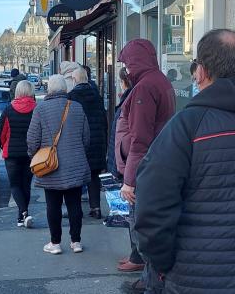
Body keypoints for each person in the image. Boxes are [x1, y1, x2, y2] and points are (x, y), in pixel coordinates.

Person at [135, 29, 235, 294]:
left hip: (199, 279)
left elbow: (152, 210)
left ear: (201, 72)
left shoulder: (186, 126)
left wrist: (162, 265)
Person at [115, 39, 175, 288]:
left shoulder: (144, 88)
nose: (126, 69)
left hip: (145, 168)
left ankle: (150, 279)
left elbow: (140, 140)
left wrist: (129, 181)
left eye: (127, 63)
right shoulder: (158, 81)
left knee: (141, 222)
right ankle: (147, 274)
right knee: (147, 223)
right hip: (156, 163)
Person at [27, 74, 90, 255]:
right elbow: (86, 137)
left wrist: (35, 156)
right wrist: (78, 153)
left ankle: (55, 243)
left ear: (49, 89)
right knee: (75, 204)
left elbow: (32, 139)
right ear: (65, 89)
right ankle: (76, 241)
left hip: (50, 166)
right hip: (75, 165)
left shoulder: (40, 109)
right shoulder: (77, 108)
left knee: (52, 205)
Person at [69, 66, 107, 219]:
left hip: (79, 142)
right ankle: (96, 208)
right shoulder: (96, 95)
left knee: (78, 176)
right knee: (93, 176)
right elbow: (104, 120)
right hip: (97, 142)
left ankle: (76, 208)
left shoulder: (71, 97)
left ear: (75, 80)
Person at [0, 80, 36, 228]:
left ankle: (23, 213)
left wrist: (3, 145)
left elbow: (0, 133)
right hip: (30, 154)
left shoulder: (8, 109)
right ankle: (22, 216)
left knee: (15, 185)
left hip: (11, 153)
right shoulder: (36, 108)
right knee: (26, 185)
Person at [107, 67, 132, 178]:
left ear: (123, 82)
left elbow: (121, 135)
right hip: (122, 160)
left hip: (123, 161)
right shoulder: (127, 99)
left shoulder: (128, 101)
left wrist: (115, 168)